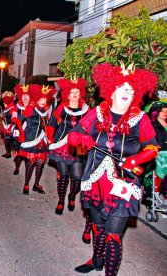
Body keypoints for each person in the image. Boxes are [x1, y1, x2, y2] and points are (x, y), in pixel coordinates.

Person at [68, 62, 158, 275]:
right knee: (98, 227)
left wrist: (135, 160)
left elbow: (153, 148)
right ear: (112, 90)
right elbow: (72, 136)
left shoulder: (141, 118)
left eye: (131, 90)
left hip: (123, 186)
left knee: (113, 235)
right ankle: (96, 260)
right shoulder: (97, 113)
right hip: (95, 183)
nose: (127, 92)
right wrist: (82, 138)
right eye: (123, 87)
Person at [47, 77, 90, 215]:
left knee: (77, 176)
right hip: (62, 145)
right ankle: (61, 201)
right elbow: (52, 124)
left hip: (78, 147)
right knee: (64, 175)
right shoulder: (61, 107)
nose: (75, 94)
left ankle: (71, 196)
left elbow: (92, 127)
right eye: (72, 92)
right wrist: (49, 139)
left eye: (77, 91)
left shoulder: (86, 110)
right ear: (67, 94)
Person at [13, 84, 55, 195]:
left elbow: (47, 125)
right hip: (31, 140)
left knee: (40, 163)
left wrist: (50, 137)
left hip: (42, 142)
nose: (43, 101)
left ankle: (36, 185)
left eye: (45, 99)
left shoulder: (45, 110)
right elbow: (18, 120)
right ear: (36, 98)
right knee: (30, 164)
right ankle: (26, 185)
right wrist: (21, 134)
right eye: (41, 98)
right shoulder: (31, 109)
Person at [11, 84, 31, 175]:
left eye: (27, 96)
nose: (25, 97)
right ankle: (17, 167)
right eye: (23, 96)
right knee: (18, 149)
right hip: (18, 130)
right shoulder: (17, 106)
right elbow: (13, 117)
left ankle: (28, 170)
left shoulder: (33, 107)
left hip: (29, 132)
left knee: (28, 150)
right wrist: (16, 120)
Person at [0, 91, 16, 158]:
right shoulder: (7, 108)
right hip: (7, 127)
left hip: (10, 128)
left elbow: (14, 119)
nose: (3, 104)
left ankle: (9, 154)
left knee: (9, 141)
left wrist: (9, 128)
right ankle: (8, 153)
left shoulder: (12, 109)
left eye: (4, 102)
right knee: (7, 141)